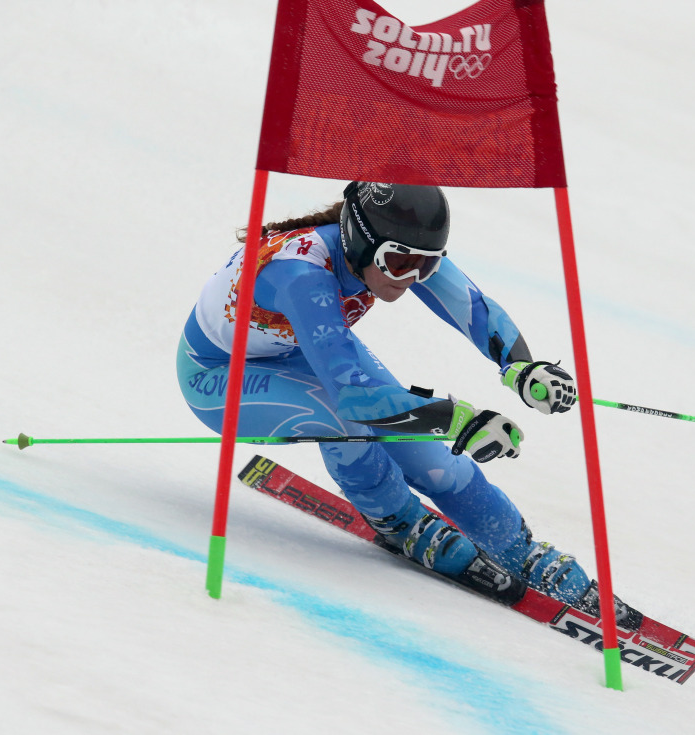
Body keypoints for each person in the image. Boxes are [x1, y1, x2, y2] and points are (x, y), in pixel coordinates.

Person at [177, 181, 640, 626]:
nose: (413, 278)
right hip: (219, 375)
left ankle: (519, 548)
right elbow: (356, 399)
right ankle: (400, 522)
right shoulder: (299, 273)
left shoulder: (393, 250)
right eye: (400, 264)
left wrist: (520, 366)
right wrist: (457, 418)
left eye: (428, 265)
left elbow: (473, 306)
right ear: (359, 243)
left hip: (306, 352)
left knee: (438, 465)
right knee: (350, 420)